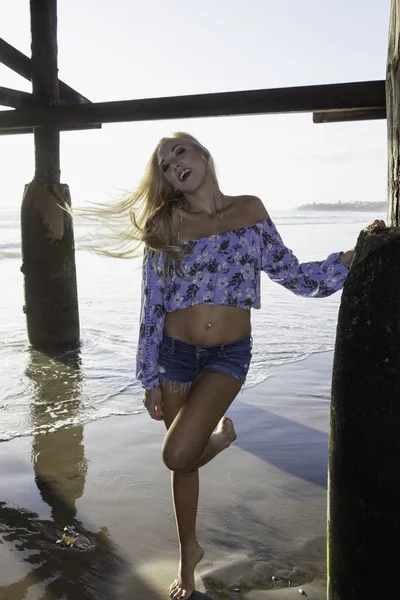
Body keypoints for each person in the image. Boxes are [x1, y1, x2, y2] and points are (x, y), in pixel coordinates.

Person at [91, 131, 385, 600]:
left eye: (180, 152)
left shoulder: (250, 211)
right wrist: (148, 376)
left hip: (228, 354)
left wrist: (354, 255)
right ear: (166, 180)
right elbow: (151, 305)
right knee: (183, 466)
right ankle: (189, 556)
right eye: (165, 165)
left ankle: (222, 438)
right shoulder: (165, 224)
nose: (174, 165)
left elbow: (295, 275)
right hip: (174, 354)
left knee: (176, 454)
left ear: (203, 154)